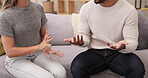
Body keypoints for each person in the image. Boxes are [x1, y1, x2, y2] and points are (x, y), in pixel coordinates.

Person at [64, 0, 145, 78]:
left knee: (137, 68)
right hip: (94, 52)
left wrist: (123, 46)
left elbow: (132, 42)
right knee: (77, 66)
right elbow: (84, 36)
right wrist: (81, 42)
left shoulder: (129, 10)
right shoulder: (86, 8)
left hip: (119, 53)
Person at [0, 0, 66, 78]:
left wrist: (47, 47)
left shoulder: (38, 8)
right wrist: (39, 47)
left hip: (38, 54)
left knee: (60, 73)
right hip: (17, 59)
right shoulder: (5, 16)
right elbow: (10, 52)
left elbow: (43, 34)